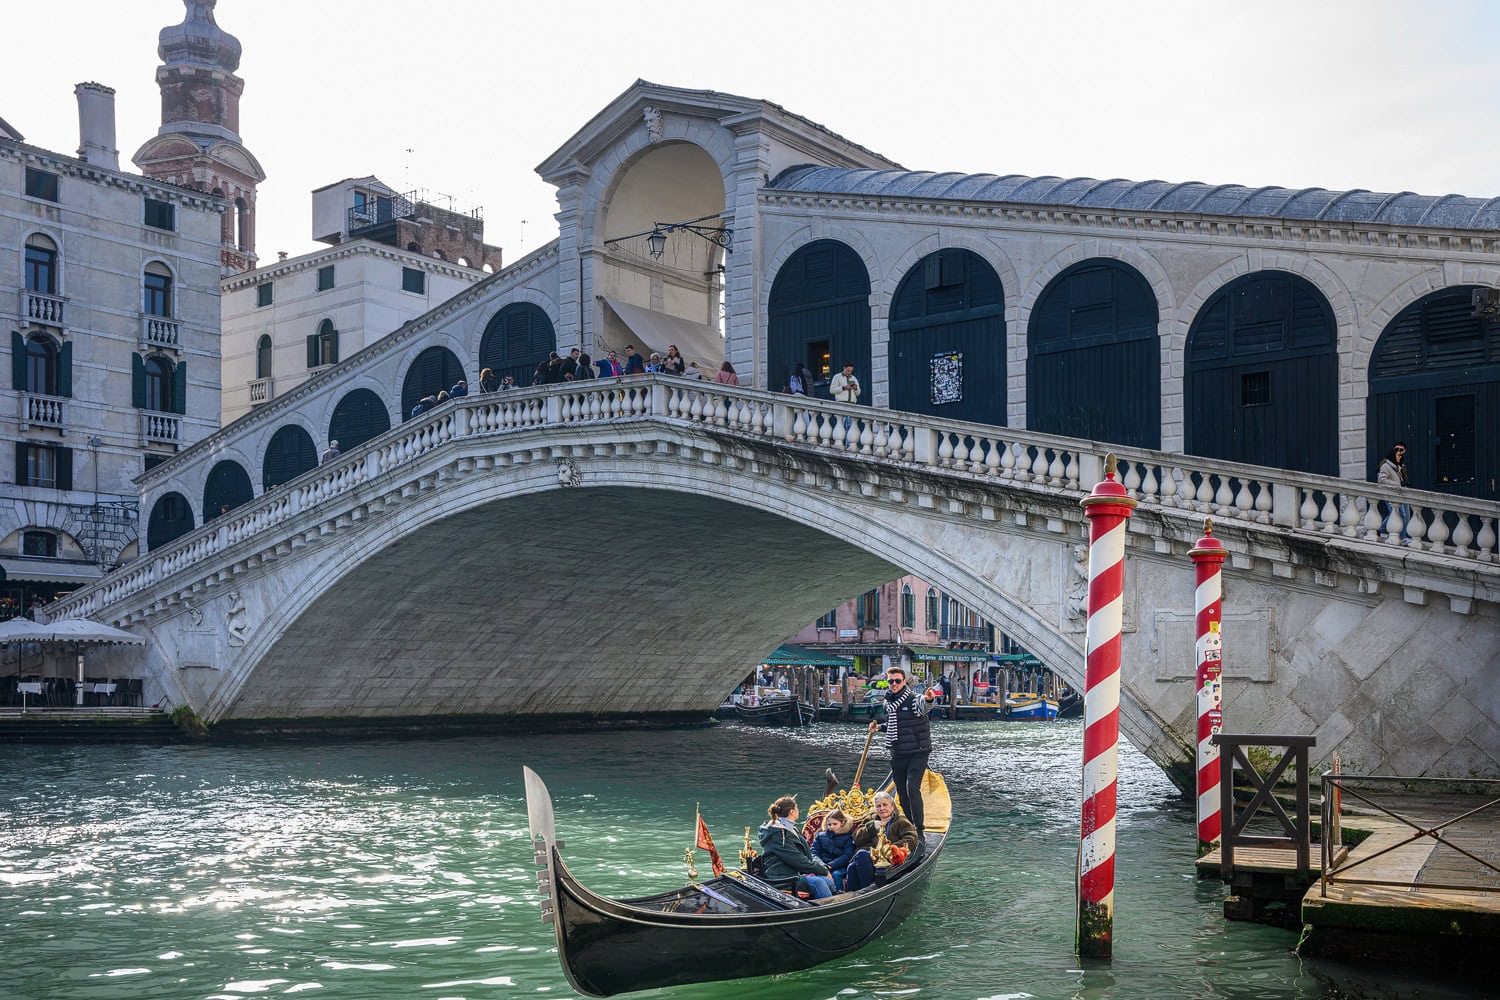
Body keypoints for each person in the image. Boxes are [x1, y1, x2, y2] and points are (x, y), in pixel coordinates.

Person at [869, 663, 935, 841]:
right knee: (901, 790)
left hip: (918, 751)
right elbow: (894, 724)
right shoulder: (888, 703)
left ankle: (919, 828)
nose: (894, 684)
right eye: (891, 681)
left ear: (904, 681)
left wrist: (929, 700)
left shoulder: (913, 699)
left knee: (912, 787)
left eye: (897, 681)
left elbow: (923, 706)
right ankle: (910, 823)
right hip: (898, 751)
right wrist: (879, 727)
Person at [757, 796, 835, 899]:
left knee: (828, 881)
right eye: (797, 807)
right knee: (819, 882)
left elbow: (808, 854)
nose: (798, 810)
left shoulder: (793, 830)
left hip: (794, 874)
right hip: (782, 878)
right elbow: (798, 860)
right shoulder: (778, 835)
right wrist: (823, 871)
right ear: (792, 812)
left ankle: (836, 899)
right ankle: (829, 907)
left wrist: (822, 867)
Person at [810, 809, 856, 891]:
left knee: (836, 874)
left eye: (835, 824)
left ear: (842, 823)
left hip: (840, 866)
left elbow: (847, 855)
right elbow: (813, 853)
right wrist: (822, 866)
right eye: (829, 824)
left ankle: (839, 895)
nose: (831, 827)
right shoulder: (820, 836)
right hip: (821, 865)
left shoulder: (848, 837)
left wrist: (830, 866)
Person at [1376, 441, 1412, 542]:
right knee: (1401, 515)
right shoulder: (1386, 465)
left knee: (1399, 514)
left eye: (1402, 450)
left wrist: (1404, 484)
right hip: (1391, 494)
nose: (1399, 452)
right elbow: (1381, 480)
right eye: (1397, 450)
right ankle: (1402, 537)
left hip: (1401, 494)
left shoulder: (1400, 466)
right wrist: (1397, 484)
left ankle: (1380, 529)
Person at [841, 818, 880, 892]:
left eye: (885, 805)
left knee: (861, 854)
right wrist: (872, 827)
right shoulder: (868, 821)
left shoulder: (898, 821)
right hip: (865, 855)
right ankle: (855, 895)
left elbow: (905, 840)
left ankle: (867, 892)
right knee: (852, 867)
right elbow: (857, 838)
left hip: (885, 854)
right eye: (878, 806)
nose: (882, 810)